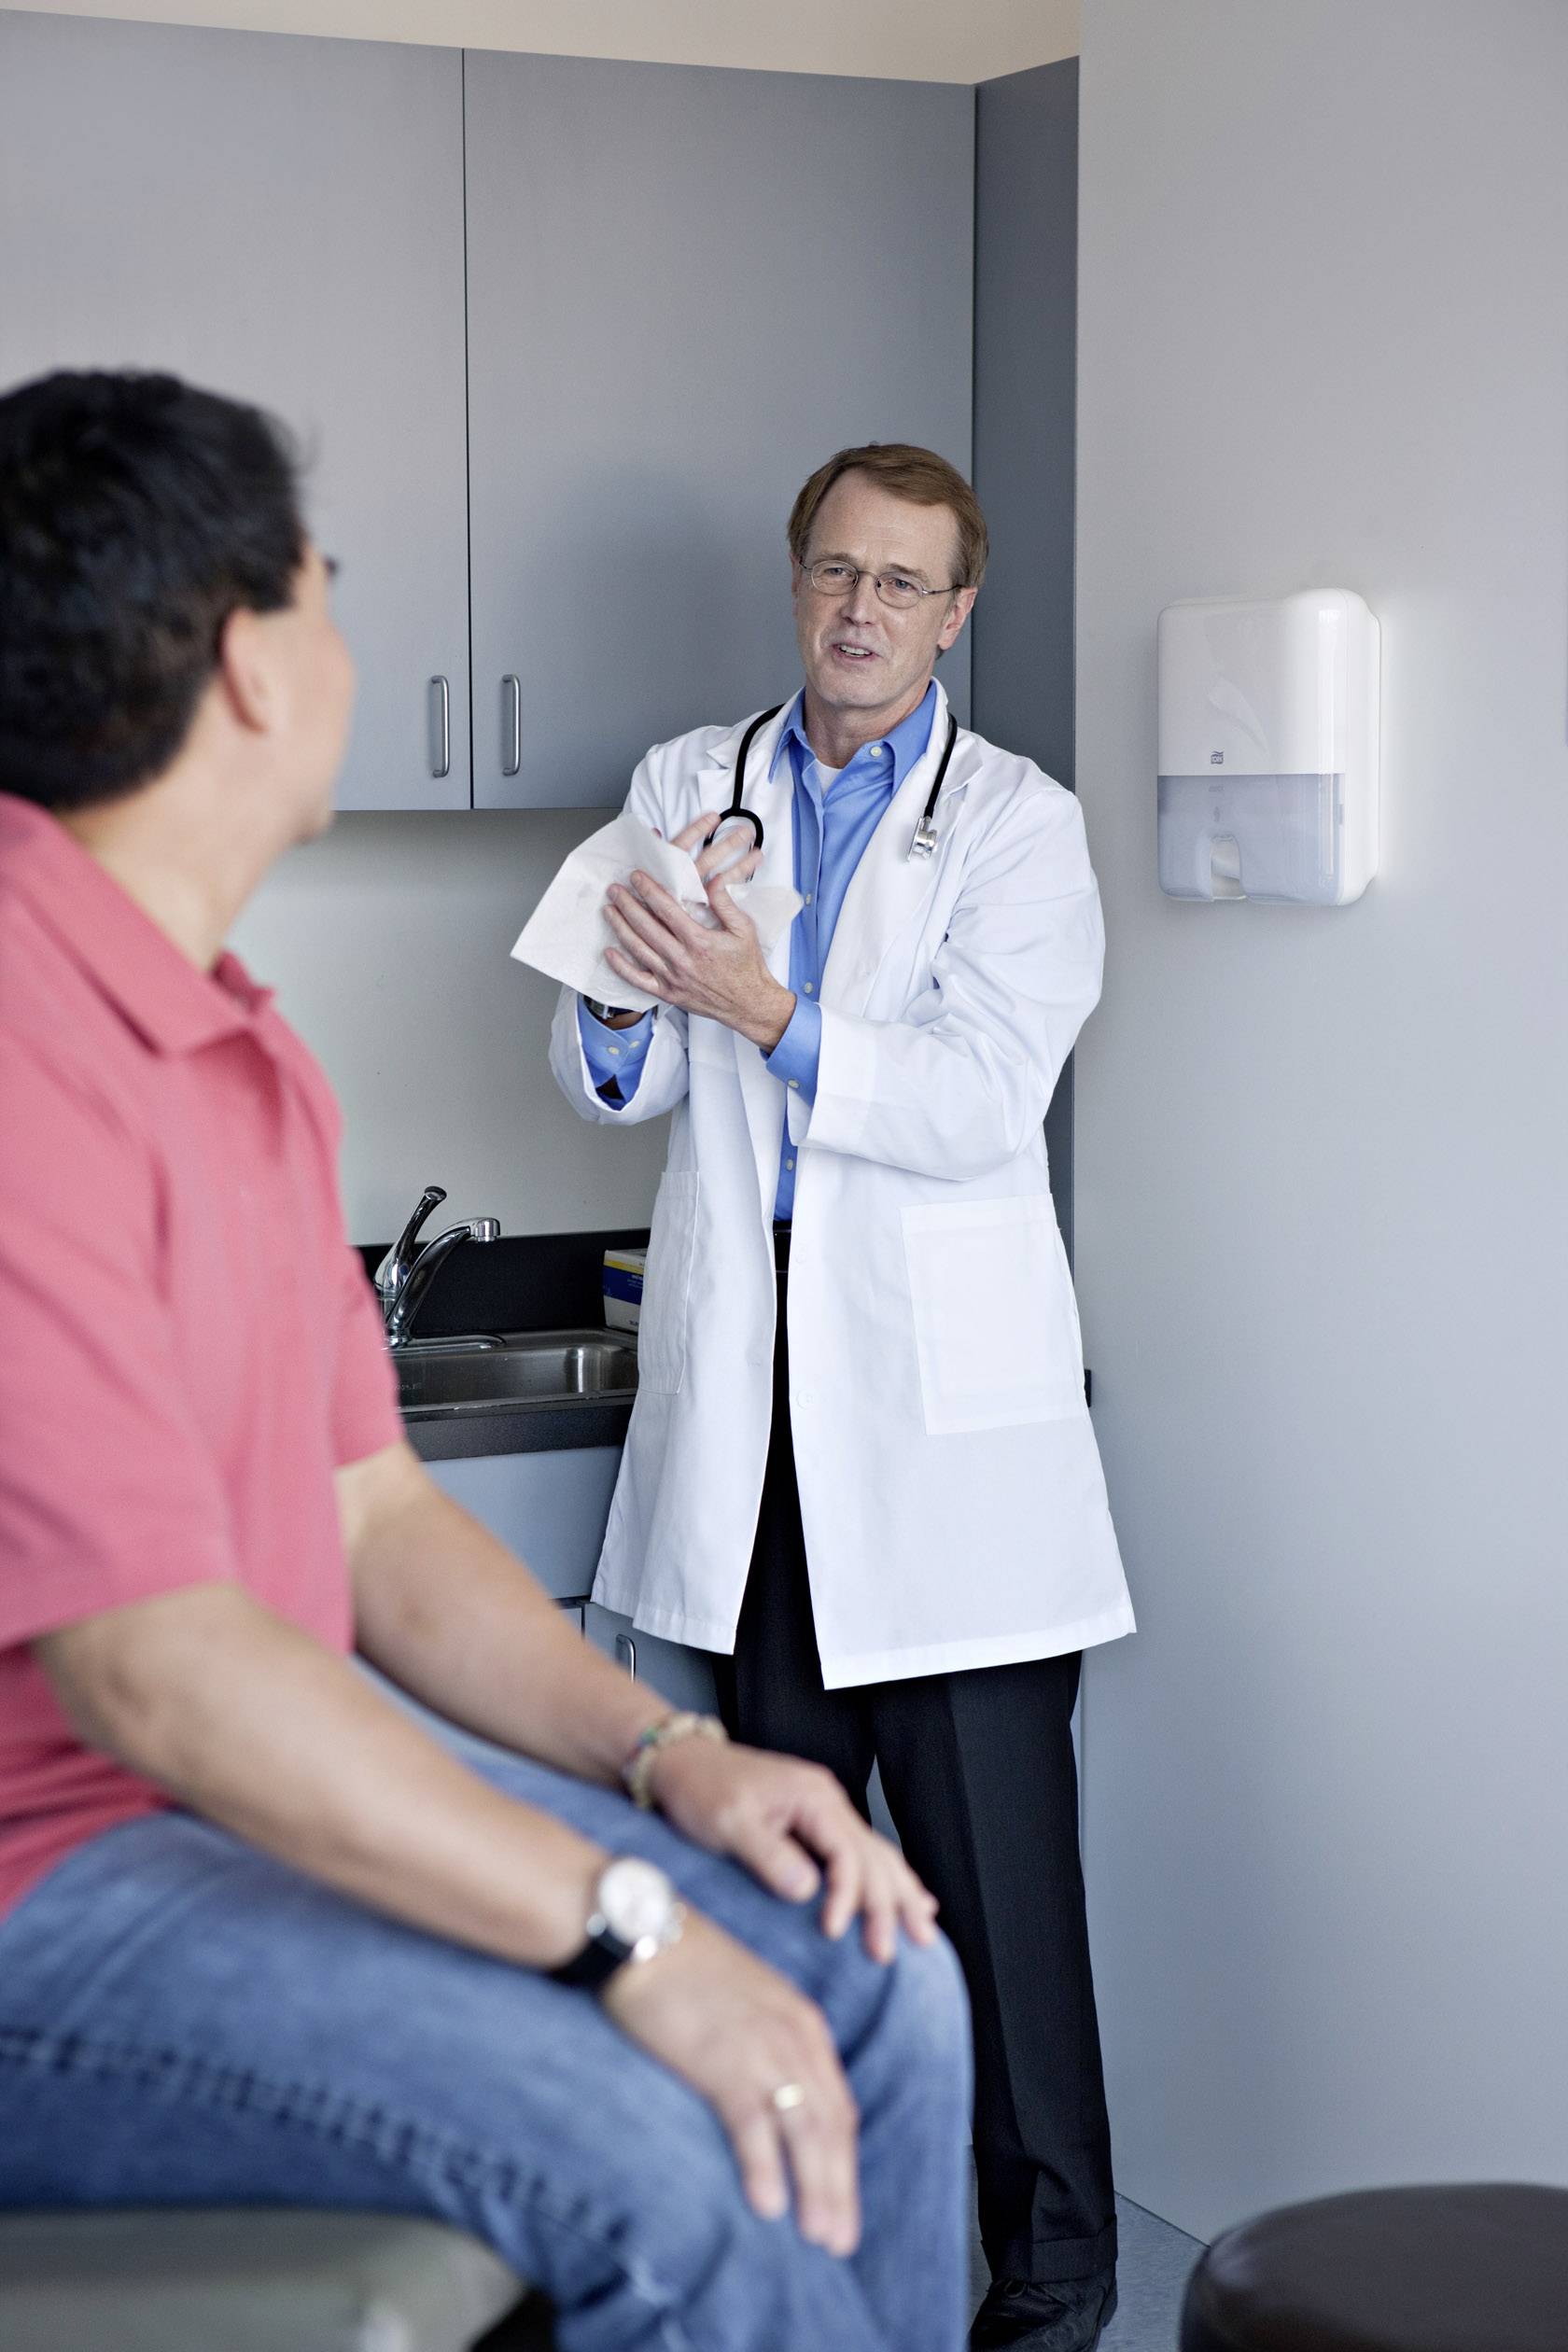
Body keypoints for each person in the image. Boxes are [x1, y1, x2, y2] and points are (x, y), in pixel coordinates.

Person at [0, 370, 974, 2352]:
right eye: (329, 592)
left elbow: (372, 1514)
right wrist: (622, 1934)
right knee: (675, 2134)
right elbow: (160, 1666)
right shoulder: (24, 1026)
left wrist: (676, 1761)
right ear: (251, 662)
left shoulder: (233, 1034)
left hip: (204, 1819)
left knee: (871, 1965)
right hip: (62, 1878)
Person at [551, 443, 1134, 2352]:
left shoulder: (1020, 827)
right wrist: (640, 1003)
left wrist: (766, 1006)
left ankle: (1050, 2307)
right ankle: (848, 2295)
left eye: (903, 584)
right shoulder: (682, 789)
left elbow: (976, 1102)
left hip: (943, 1465)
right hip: (759, 1436)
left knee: (1002, 1945)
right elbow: (604, 1068)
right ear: (794, 584)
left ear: (956, 612)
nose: (862, 612)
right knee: (813, 1915)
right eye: (835, 574)